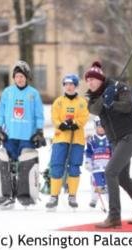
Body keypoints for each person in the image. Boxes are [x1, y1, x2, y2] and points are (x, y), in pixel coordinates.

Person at [85, 61, 132, 228]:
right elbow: (94, 109)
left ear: (101, 79)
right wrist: (104, 99)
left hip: (130, 136)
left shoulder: (119, 87)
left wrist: (112, 102)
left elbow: (128, 106)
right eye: (88, 80)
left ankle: (114, 216)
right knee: (122, 177)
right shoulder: (92, 97)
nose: (90, 83)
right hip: (115, 140)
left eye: (93, 79)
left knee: (110, 172)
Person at [0, 60, 46, 208]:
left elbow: (39, 115)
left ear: (27, 77)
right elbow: (1, 113)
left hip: (27, 136)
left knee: (25, 164)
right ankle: (6, 195)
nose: (19, 79)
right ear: (14, 77)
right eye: (17, 76)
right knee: (6, 162)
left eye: (22, 76)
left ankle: (25, 195)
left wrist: (39, 131)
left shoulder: (33, 94)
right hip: (10, 135)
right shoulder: (7, 92)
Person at [45, 74, 89, 209]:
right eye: (66, 84)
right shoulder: (58, 101)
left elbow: (84, 116)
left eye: (72, 84)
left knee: (74, 166)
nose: (69, 87)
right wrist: (61, 124)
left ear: (76, 86)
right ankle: (54, 195)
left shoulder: (82, 102)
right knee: (57, 165)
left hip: (77, 139)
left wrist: (76, 123)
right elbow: (54, 116)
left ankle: (72, 195)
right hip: (61, 138)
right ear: (64, 86)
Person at [85, 118, 111, 208]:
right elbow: (88, 152)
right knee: (96, 183)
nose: (101, 129)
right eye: (99, 127)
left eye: (103, 127)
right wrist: (88, 162)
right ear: (95, 127)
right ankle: (94, 199)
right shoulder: (91, 139)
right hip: (96, 167)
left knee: (108, 185)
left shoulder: (110, 138)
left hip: (107, 166)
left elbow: (113, 151)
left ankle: (111, 202)